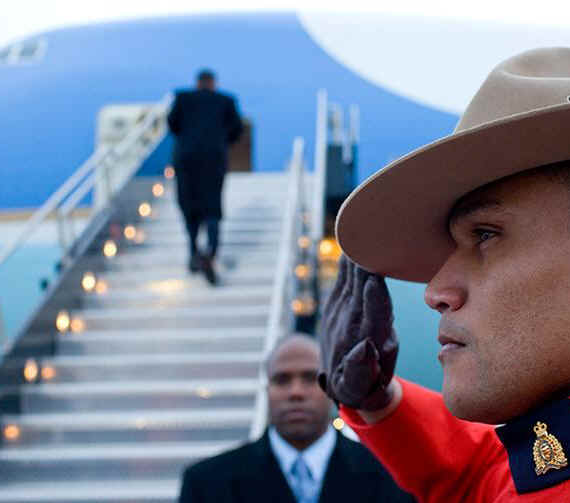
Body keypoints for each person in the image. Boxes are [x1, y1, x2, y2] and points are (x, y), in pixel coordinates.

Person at [317, 47, 570, 502]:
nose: (436, 291)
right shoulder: (563, 466)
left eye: (486, 235)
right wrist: (379, 403)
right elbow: (479, 472)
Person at [179, 333, 415, 503]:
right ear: (267, 391)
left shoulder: (389, 476)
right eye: (282, 380)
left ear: (332, 387)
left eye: (311, 378)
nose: (296, 392)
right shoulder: (206, 484)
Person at [167, 69, 243, 285]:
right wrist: (219, 140)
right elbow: (236, 130)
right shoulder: (226, 101)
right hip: (213, 159)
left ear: (197, 82)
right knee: (212, 207)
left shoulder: (182, 98)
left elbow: (172, 125)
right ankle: (211, 252)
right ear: (213, 83)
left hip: (187, 160)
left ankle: (193, 251)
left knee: (188, 205)